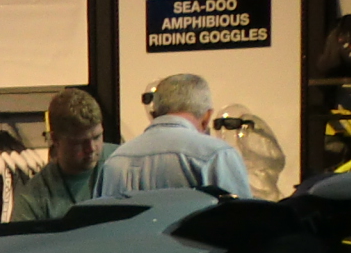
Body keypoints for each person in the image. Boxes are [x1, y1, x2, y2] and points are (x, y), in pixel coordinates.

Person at [96, 72, 254, 199]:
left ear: (154, 112)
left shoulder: (115, 160)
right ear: (207, 117)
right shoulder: (217, 155)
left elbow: (99, 223)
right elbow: (242, 222)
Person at [0, 87, 108, 226]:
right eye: (79, 142)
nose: (91, 148)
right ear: (55, 139)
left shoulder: (120, 165)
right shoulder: (33, 198)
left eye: (97, 137)